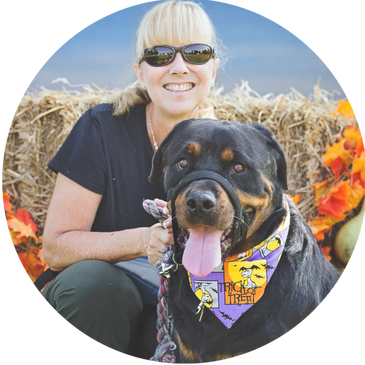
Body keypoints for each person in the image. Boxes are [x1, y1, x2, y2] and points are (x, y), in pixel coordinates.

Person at [39, 0, 221, 361]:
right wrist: (144, 241)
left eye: (196, 53)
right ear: (140, 71)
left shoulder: (232, 150)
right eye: (160, 56)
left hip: (180, 310)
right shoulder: (101, 129)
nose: (179, 67)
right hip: (95, 307)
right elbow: (56, 248)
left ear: (214, 69)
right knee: (94, 285)